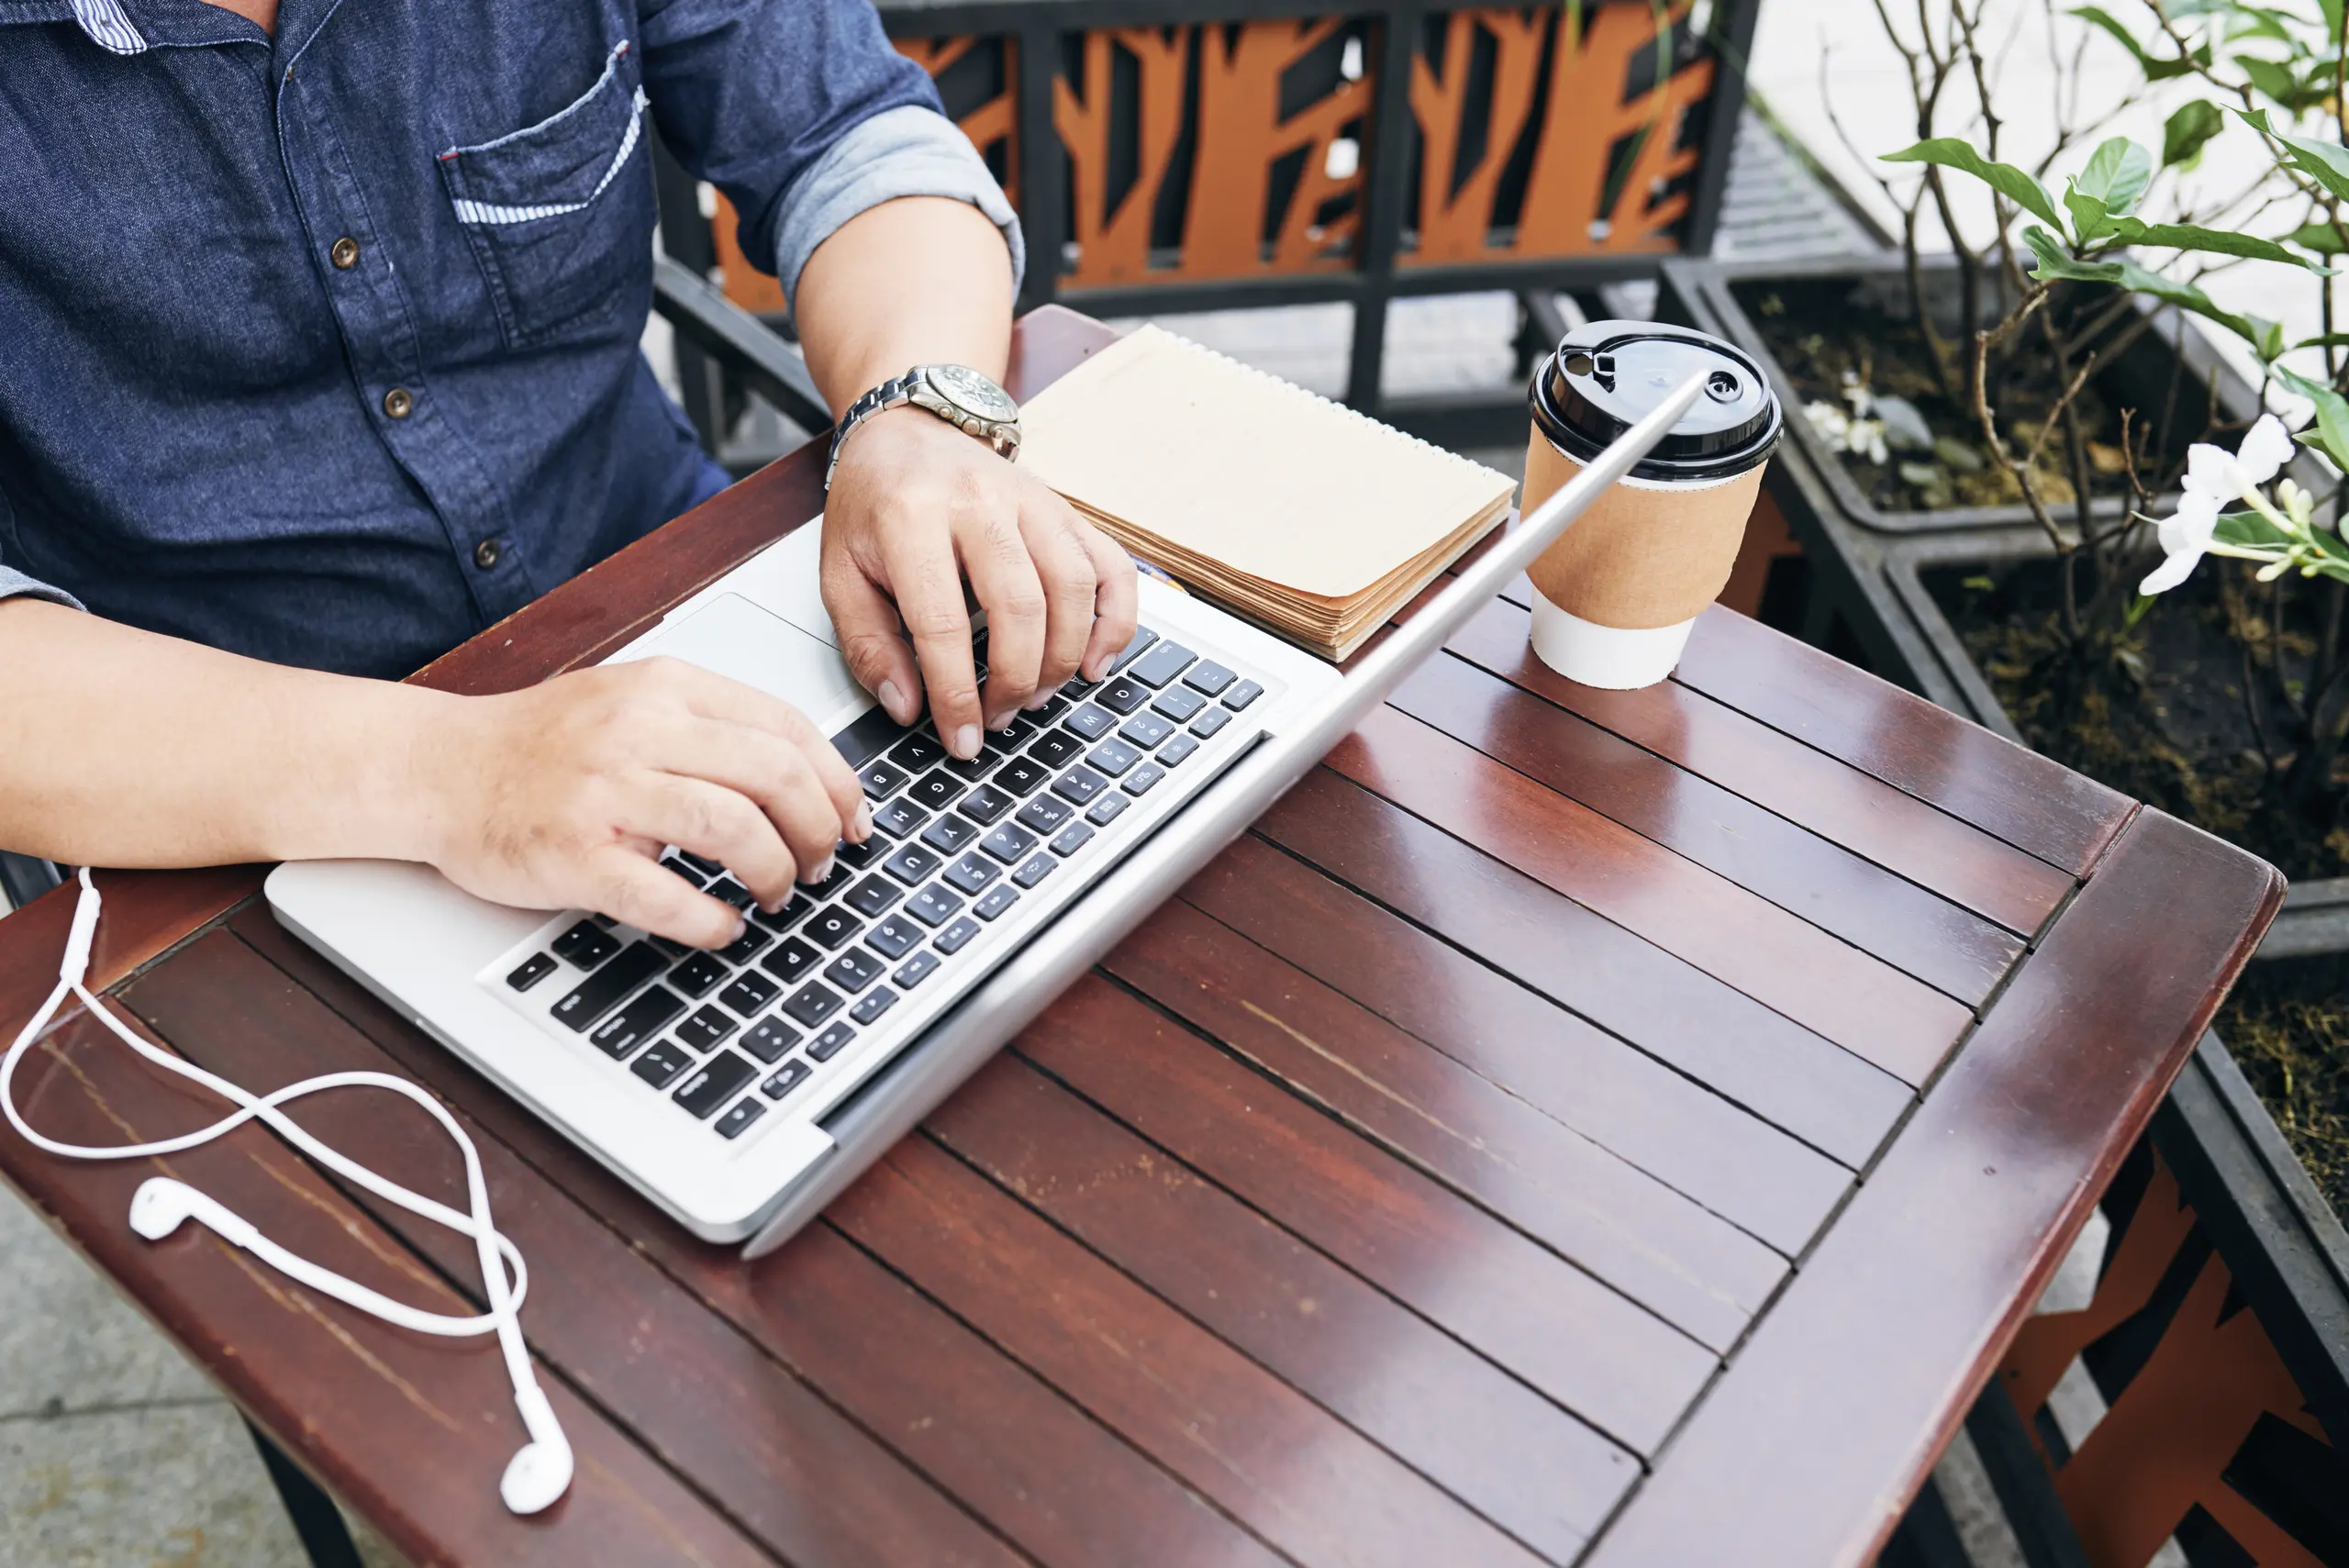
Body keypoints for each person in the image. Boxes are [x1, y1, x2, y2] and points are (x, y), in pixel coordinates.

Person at [0, 0, 1135, 951]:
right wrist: (459, 772)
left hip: (680, 589)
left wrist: (916, 414)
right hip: (237, 805)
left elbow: (849, 130)